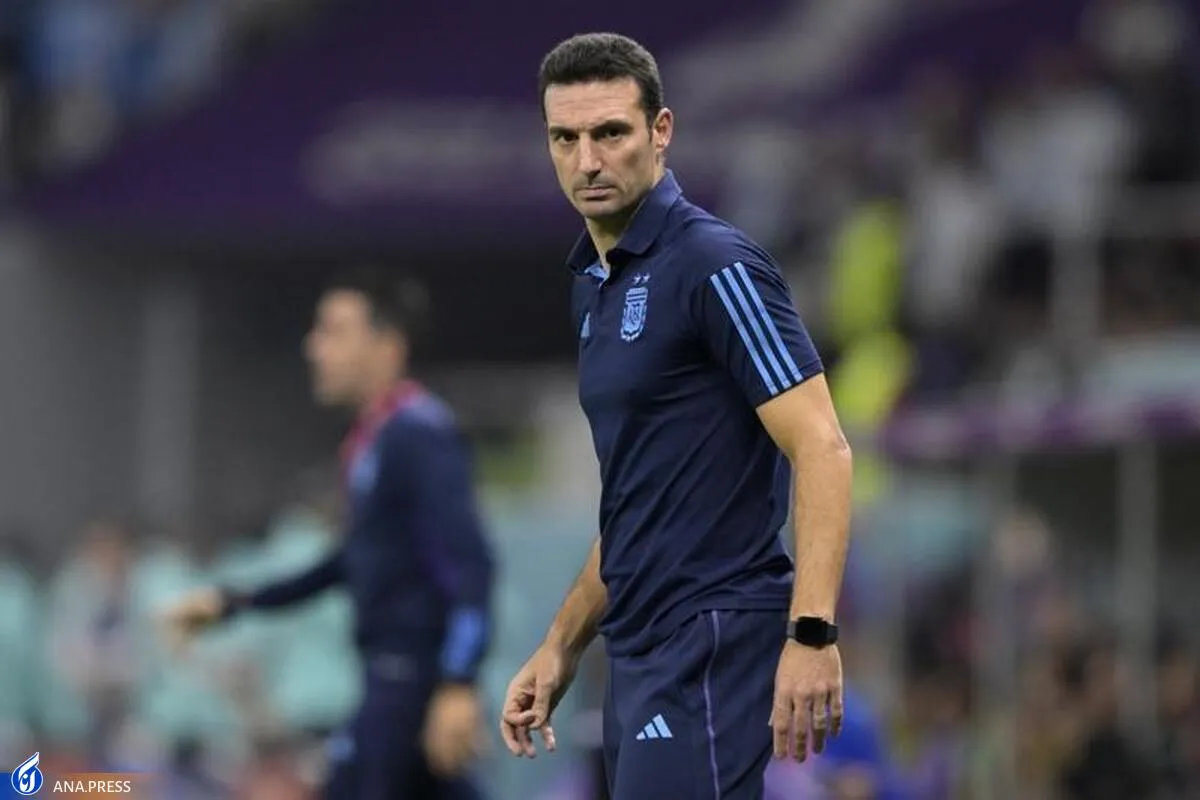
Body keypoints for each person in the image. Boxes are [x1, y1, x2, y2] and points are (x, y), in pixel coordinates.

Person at [500, 32, 854, 799]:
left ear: (661, 131)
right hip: (636, 647)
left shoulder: (714, 264)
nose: (587, 160)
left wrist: (812, 633)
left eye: (610, 133)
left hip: (710, 636)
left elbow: (823, 446)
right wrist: (560, 645)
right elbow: (639, 503)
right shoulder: (595, 287)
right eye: (565, 138)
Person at [162, 268, 494, 800]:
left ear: (387, 346)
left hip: (410, 683)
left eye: (334, 331)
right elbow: (349, 560)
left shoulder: (419, 436)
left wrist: (459, 684)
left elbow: (472, 564)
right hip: (390, 682)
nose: (314, 347)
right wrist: (233, 603)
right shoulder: (374, 439)